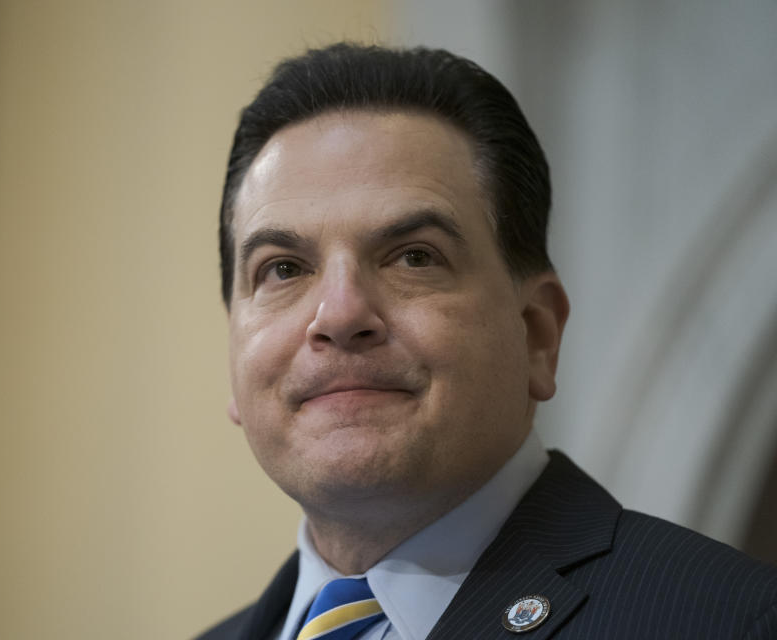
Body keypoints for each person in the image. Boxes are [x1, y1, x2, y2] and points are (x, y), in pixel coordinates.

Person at [197, 43, 777, 640]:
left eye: (414, 257)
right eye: (284, 269)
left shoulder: (733, 622)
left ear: (537, 335)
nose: (340, 314)